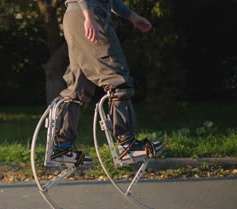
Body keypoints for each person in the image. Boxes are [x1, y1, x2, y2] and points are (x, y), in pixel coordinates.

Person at [52, 0, 163, 165]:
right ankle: (127, 144)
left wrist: (133, 17)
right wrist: (89, 17)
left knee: (80, 85)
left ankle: (63, 147)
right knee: (116, 77)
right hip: (89, 12)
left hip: (76, 15)